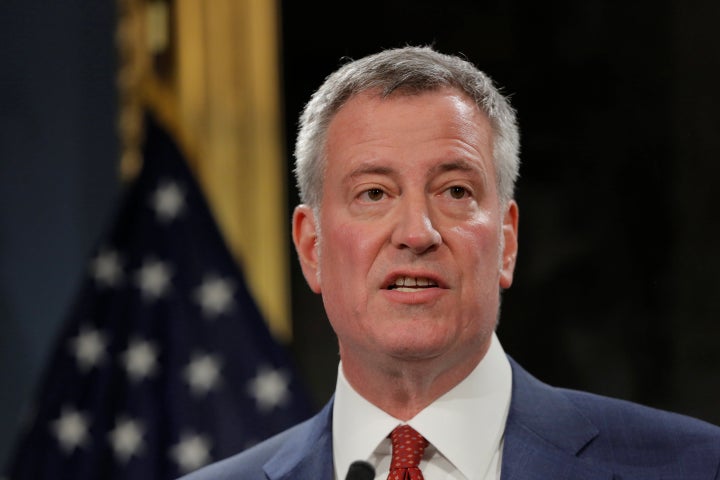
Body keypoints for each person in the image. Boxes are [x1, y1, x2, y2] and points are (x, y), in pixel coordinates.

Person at [181, 46, 720, 480]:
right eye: (373, 193)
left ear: (506, 241)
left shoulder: (695, 466)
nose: (418, 233)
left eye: (455, 190)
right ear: (312, 248)